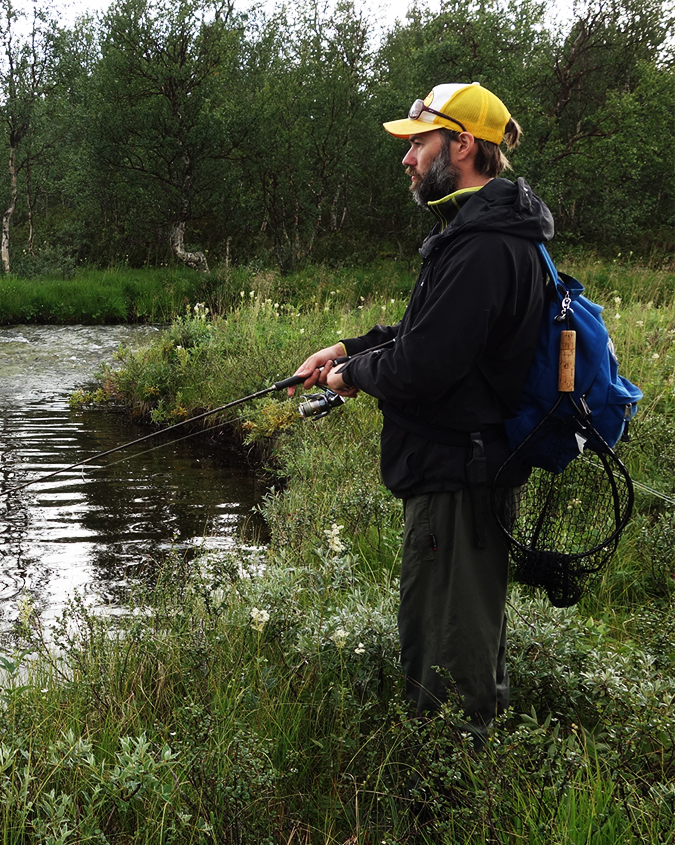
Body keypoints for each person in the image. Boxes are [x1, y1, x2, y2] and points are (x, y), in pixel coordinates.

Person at [291, 82, 553, 737]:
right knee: (452, 629)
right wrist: (347, 348)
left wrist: (353, 373)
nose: (406, 159)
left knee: (449, 646)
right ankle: (460, 770)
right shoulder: (475, 231)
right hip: (456, 474)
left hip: (459, 480)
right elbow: (422, 336)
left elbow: (423, 367)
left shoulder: (486, 245)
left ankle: (450, 788)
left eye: (418, 143)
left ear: (462, 144)